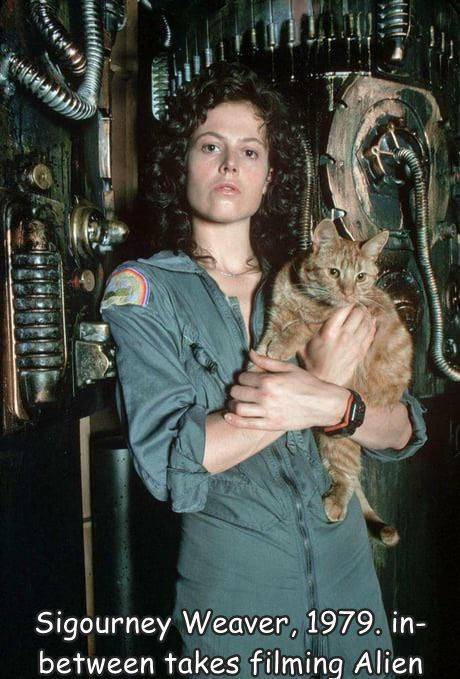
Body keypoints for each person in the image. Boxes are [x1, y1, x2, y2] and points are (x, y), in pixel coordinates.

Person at [100, 64, 427, 678]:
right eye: (210, 146)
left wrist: (337, 405)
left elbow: (404, 429)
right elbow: (170, 462)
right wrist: (302, 398)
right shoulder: (144, 289)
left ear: (269, 174)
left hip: (350, 591)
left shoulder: (314, 278)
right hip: (237, 599)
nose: (230, 164)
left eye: (249, 150)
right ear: (182, 163)